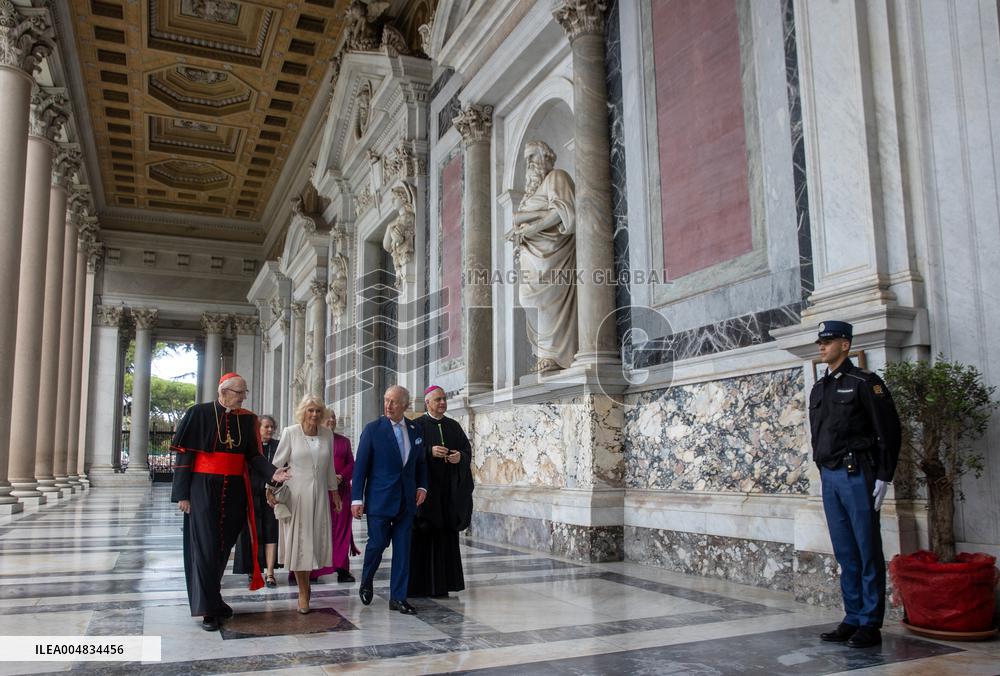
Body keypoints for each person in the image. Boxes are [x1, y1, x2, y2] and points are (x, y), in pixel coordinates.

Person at [170, 373, 291, 632]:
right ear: (223, 391)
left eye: (245, 392)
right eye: (240, 392)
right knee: (205, 549)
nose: (244, 397)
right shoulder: (198, 413)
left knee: (222, 549)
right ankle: (208, 610)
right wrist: (182, 494)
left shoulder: (248, 420)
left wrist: (273, 473)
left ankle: (214, 600)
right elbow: (184, 457)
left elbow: (254, 457)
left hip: (234, 491)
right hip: (203, 489)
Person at [810, 321, 901, 649]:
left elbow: (888, 430)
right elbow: (819, 434)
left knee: (866, 549)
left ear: (845, 345)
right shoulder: (819, 387)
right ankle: (852, 616)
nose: (822, 347)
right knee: (845, 551)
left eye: (829, 341)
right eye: (821, 342)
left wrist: (884, 475)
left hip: (856, 473)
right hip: (830, 476)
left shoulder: (864, 382)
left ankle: (870, 622)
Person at [351, 385, 428, 615]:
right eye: (386, 400)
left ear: (405, 405)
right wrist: (356, 499)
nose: (388, 405)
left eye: (393, 401)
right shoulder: (373, 429)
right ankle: (367, 580)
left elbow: (420, 462)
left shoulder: (415, 429)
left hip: (407, 500)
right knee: (378, 543)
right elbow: (360, 467)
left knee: (403, 549)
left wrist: (422, 486)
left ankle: (398, 597)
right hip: (380, 499)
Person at [505, 140, 577, 373]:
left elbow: (565, 211)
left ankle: (554, 355)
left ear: (545, 157)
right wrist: (521, 227)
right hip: (532, 256)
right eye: (527, 159)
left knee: (540, 301)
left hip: (553, 255)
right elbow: (519, 218)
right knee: (527, 300)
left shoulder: (557, 177)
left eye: (532, 157)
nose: (528, 163)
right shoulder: (532, 192)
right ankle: (546, 354)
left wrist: (531, 226)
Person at [271, 395, 342, 614]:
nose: (314, 414)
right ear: (303, 412)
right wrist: (269, 488)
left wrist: (335, 494)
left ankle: (307, 584)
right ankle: (303, 591)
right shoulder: (290, 432)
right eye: (310, 410)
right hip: (296, 497)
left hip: (320, 497)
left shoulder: (327, 434)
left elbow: (329, 468)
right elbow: (276, 464)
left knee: (314, 544)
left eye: (318, 411)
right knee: (300, 544)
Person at [409, 385, 474, 598]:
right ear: (427, 403)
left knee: (446, 538)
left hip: (447, 494)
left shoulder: (453, 426)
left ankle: (444, 584)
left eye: (444, 399)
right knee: (423, 537)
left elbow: (466, 450)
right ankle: (421, 586)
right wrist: (429, 451)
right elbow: (409, 453)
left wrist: (460, 457)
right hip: (426, 493)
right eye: (438, 399)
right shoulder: (417, 426)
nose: (443, 403)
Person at [310, 408, 359, 583]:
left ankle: (342, 569)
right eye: (327, 418)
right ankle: (312, 571)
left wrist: (340, 477)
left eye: (334, 417)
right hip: (319, 492)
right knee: (317, 531)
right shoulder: (313, 440)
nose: (331, 420)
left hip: (341, 492)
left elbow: (352, 464)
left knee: (342, 532)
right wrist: (327, 478)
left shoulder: (344, 441)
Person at [233, 415, 281, 587]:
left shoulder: (278, 446)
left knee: (271, 532)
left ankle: (270, 573)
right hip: (250, 495)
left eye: (272, 427)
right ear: (257, 429)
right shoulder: (249, 446)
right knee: (251, 533)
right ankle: (253, 569)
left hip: (271, 495)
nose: (270, 430)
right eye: (266, 426)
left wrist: (273, 489)